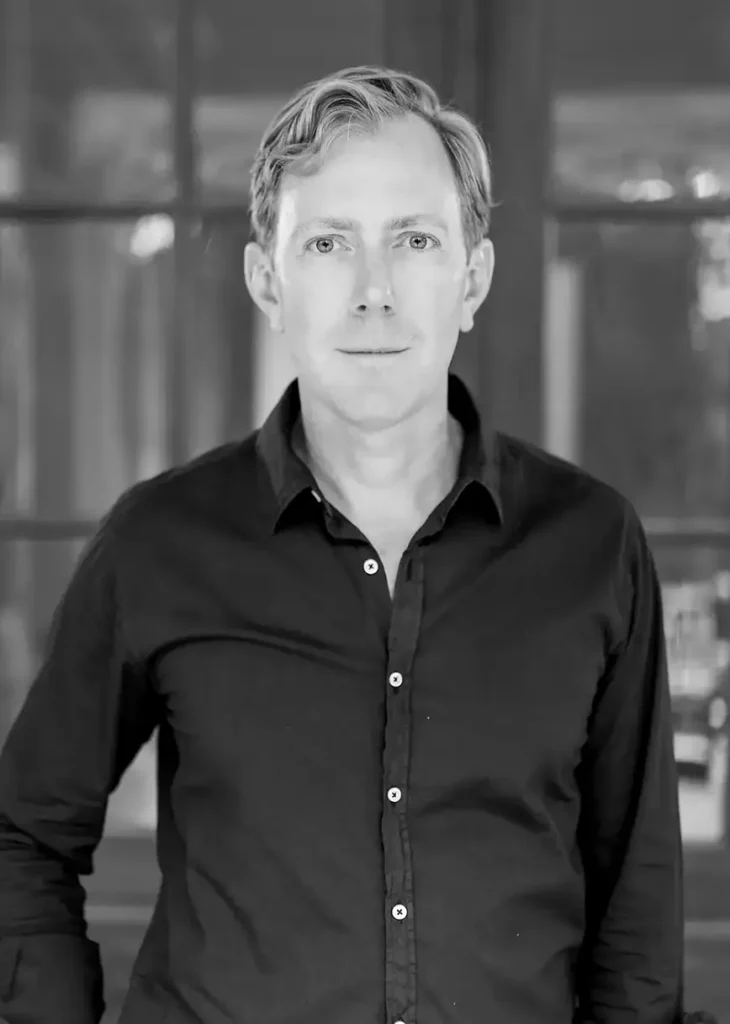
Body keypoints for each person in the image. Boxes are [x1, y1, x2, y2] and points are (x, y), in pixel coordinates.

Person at [0, 64, 709, 1024]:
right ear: (268, 281)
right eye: (329, 243)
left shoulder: (591, 545)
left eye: (414, 240)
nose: (374, 291)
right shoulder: (160, 543)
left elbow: (637, 898)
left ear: (472, 279)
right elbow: (23, 837)